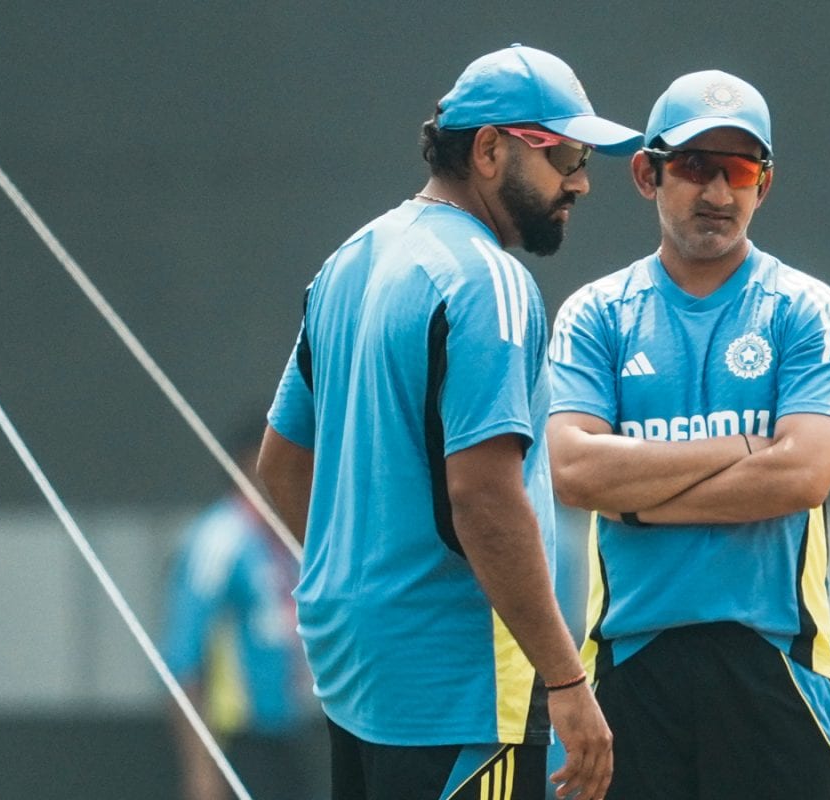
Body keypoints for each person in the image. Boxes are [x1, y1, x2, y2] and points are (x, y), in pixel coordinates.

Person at [257, 44, 641, 800]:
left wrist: (374, 583)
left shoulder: (350, 260)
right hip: (462, 690)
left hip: (359, 679)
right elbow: (485, 498)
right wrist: (566, 680)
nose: (581, 182)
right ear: (490, 150)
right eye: (564, 156)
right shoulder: (489, 281)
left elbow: (282, 463)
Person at [547, 70, 830, 799]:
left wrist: (636, 501)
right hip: (632, 664)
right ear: (646, 174)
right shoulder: (597, 313)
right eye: (693, 165)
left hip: (776, 661)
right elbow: (573, 472)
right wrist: (744, 449)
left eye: (739, 170)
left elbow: (804, 475)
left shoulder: (805, 308)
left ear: (764, 185)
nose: (718, 191)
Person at [162, 424, 321, 800]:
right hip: (238, 737)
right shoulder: (220, 539)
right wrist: (201, 769)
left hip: (290, 733)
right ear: (250, 465)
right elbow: (183, 659)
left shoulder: (285, 538)